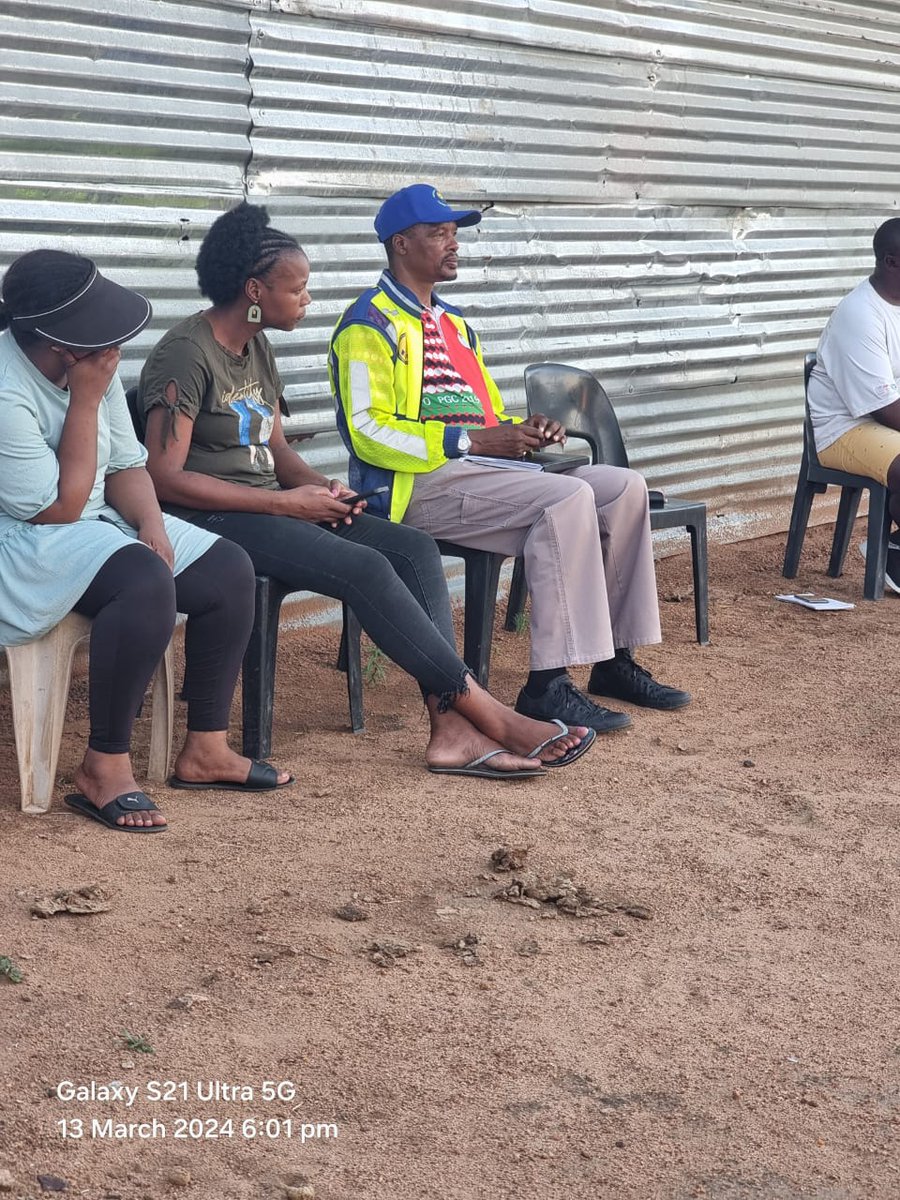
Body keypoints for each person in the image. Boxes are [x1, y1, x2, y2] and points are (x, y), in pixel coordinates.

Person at [137, 202, 595, 778]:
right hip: (209, 518)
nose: (307, 300)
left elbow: (277, 454)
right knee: (368, 569)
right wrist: (284, 503)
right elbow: (163, 477)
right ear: (255, 288)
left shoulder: (256, 347)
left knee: (411, 548)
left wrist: (320, 487)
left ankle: (450, 728)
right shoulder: (187, 352)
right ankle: (485, 712)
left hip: (269, 505)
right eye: (296, 289)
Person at [328, 183, 691, 733]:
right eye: (438, 234)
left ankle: (614, 660)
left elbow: (487, 417)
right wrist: (470, 443)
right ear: (400, 244)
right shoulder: (368, 326)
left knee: (623, 487)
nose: (453, 245)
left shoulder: (457, 326)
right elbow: (367, 433)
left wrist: (524, 433)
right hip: (414, 488)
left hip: (483, 474)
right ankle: (547, 684)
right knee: (568, 497)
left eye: (454, 234)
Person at [0, 249, 292, 834]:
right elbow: (58, 507)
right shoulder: (10, 389)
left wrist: (153, 525)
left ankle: (205, 748)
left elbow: (127, 467)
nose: (113, 343)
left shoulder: (93, 363)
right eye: (96, 332)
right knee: (142, 580)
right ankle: (102, 767)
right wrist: (84, 400)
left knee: (226, 568)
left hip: (94, 518)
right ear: (59, 343)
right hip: (27, 538)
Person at [808, 216, 900, 591]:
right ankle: (893, 560)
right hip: (845, 427)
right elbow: (886, 409)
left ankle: (895, 550)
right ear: (891, 261)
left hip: (883, 421)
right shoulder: (861, 314)